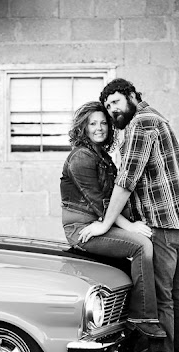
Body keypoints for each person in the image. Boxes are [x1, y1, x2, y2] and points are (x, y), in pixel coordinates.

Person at [78, 78, 179, 352]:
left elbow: (126, 180)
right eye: (107, 107)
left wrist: (105, 224)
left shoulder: (141, 124)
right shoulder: (157, 118)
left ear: (132, 96)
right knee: (177, 297)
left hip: (161, 224)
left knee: (161, 302)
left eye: (116, 102)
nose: (112, 110)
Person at [60, 101, 165, 339]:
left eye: (104, 123)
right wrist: (129, 226)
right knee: (141, 245)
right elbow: (100, 202)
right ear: (83, 127)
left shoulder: (101, 155)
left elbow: (114, 196)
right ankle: (143, 318)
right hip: (83, 228)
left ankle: (124, 320)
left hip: (100, 222)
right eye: (93, 123)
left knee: (139, 254)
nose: (99, 128)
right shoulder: (80, 158)